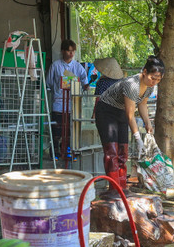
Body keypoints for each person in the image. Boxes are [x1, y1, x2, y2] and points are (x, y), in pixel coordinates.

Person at [94, 55, 165, 195]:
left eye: (158, 79)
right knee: (111, 152)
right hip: (106, 111)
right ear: (144, 72)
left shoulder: (149, 88)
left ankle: (122, 187)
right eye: (153, 78)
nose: (154, 82)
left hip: (120, 112)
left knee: (123, 152)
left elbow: (142, 105)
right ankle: (114, 189)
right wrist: (138, 138)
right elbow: (130, 115)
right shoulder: (132, 84)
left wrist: (148, 124)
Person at [47, 39, 89, 160]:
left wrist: (85, 86)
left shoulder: (78, 67)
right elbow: (48, 83)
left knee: (70, 130)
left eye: (73, 51)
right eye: (68, 51)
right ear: (63, 51)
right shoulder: (55, 65)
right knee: (57, 129)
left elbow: (85, 83)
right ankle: (55, 150)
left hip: (73, 104)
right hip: (58, 103)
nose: (71, 54)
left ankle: (68, 150)